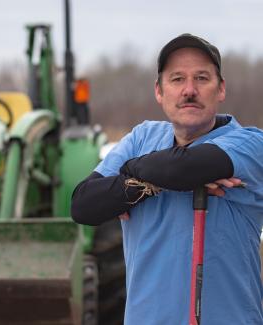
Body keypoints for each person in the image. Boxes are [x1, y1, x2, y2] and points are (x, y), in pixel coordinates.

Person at [71, 33, 263, 324]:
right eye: (176, 79)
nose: (189, 90)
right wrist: (150, 180)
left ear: (221, 89)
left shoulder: (249, 144)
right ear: (159, 91)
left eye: (201, 78)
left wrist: (130, 173)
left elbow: (183, 170)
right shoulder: (142, 137)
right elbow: (83, 204)